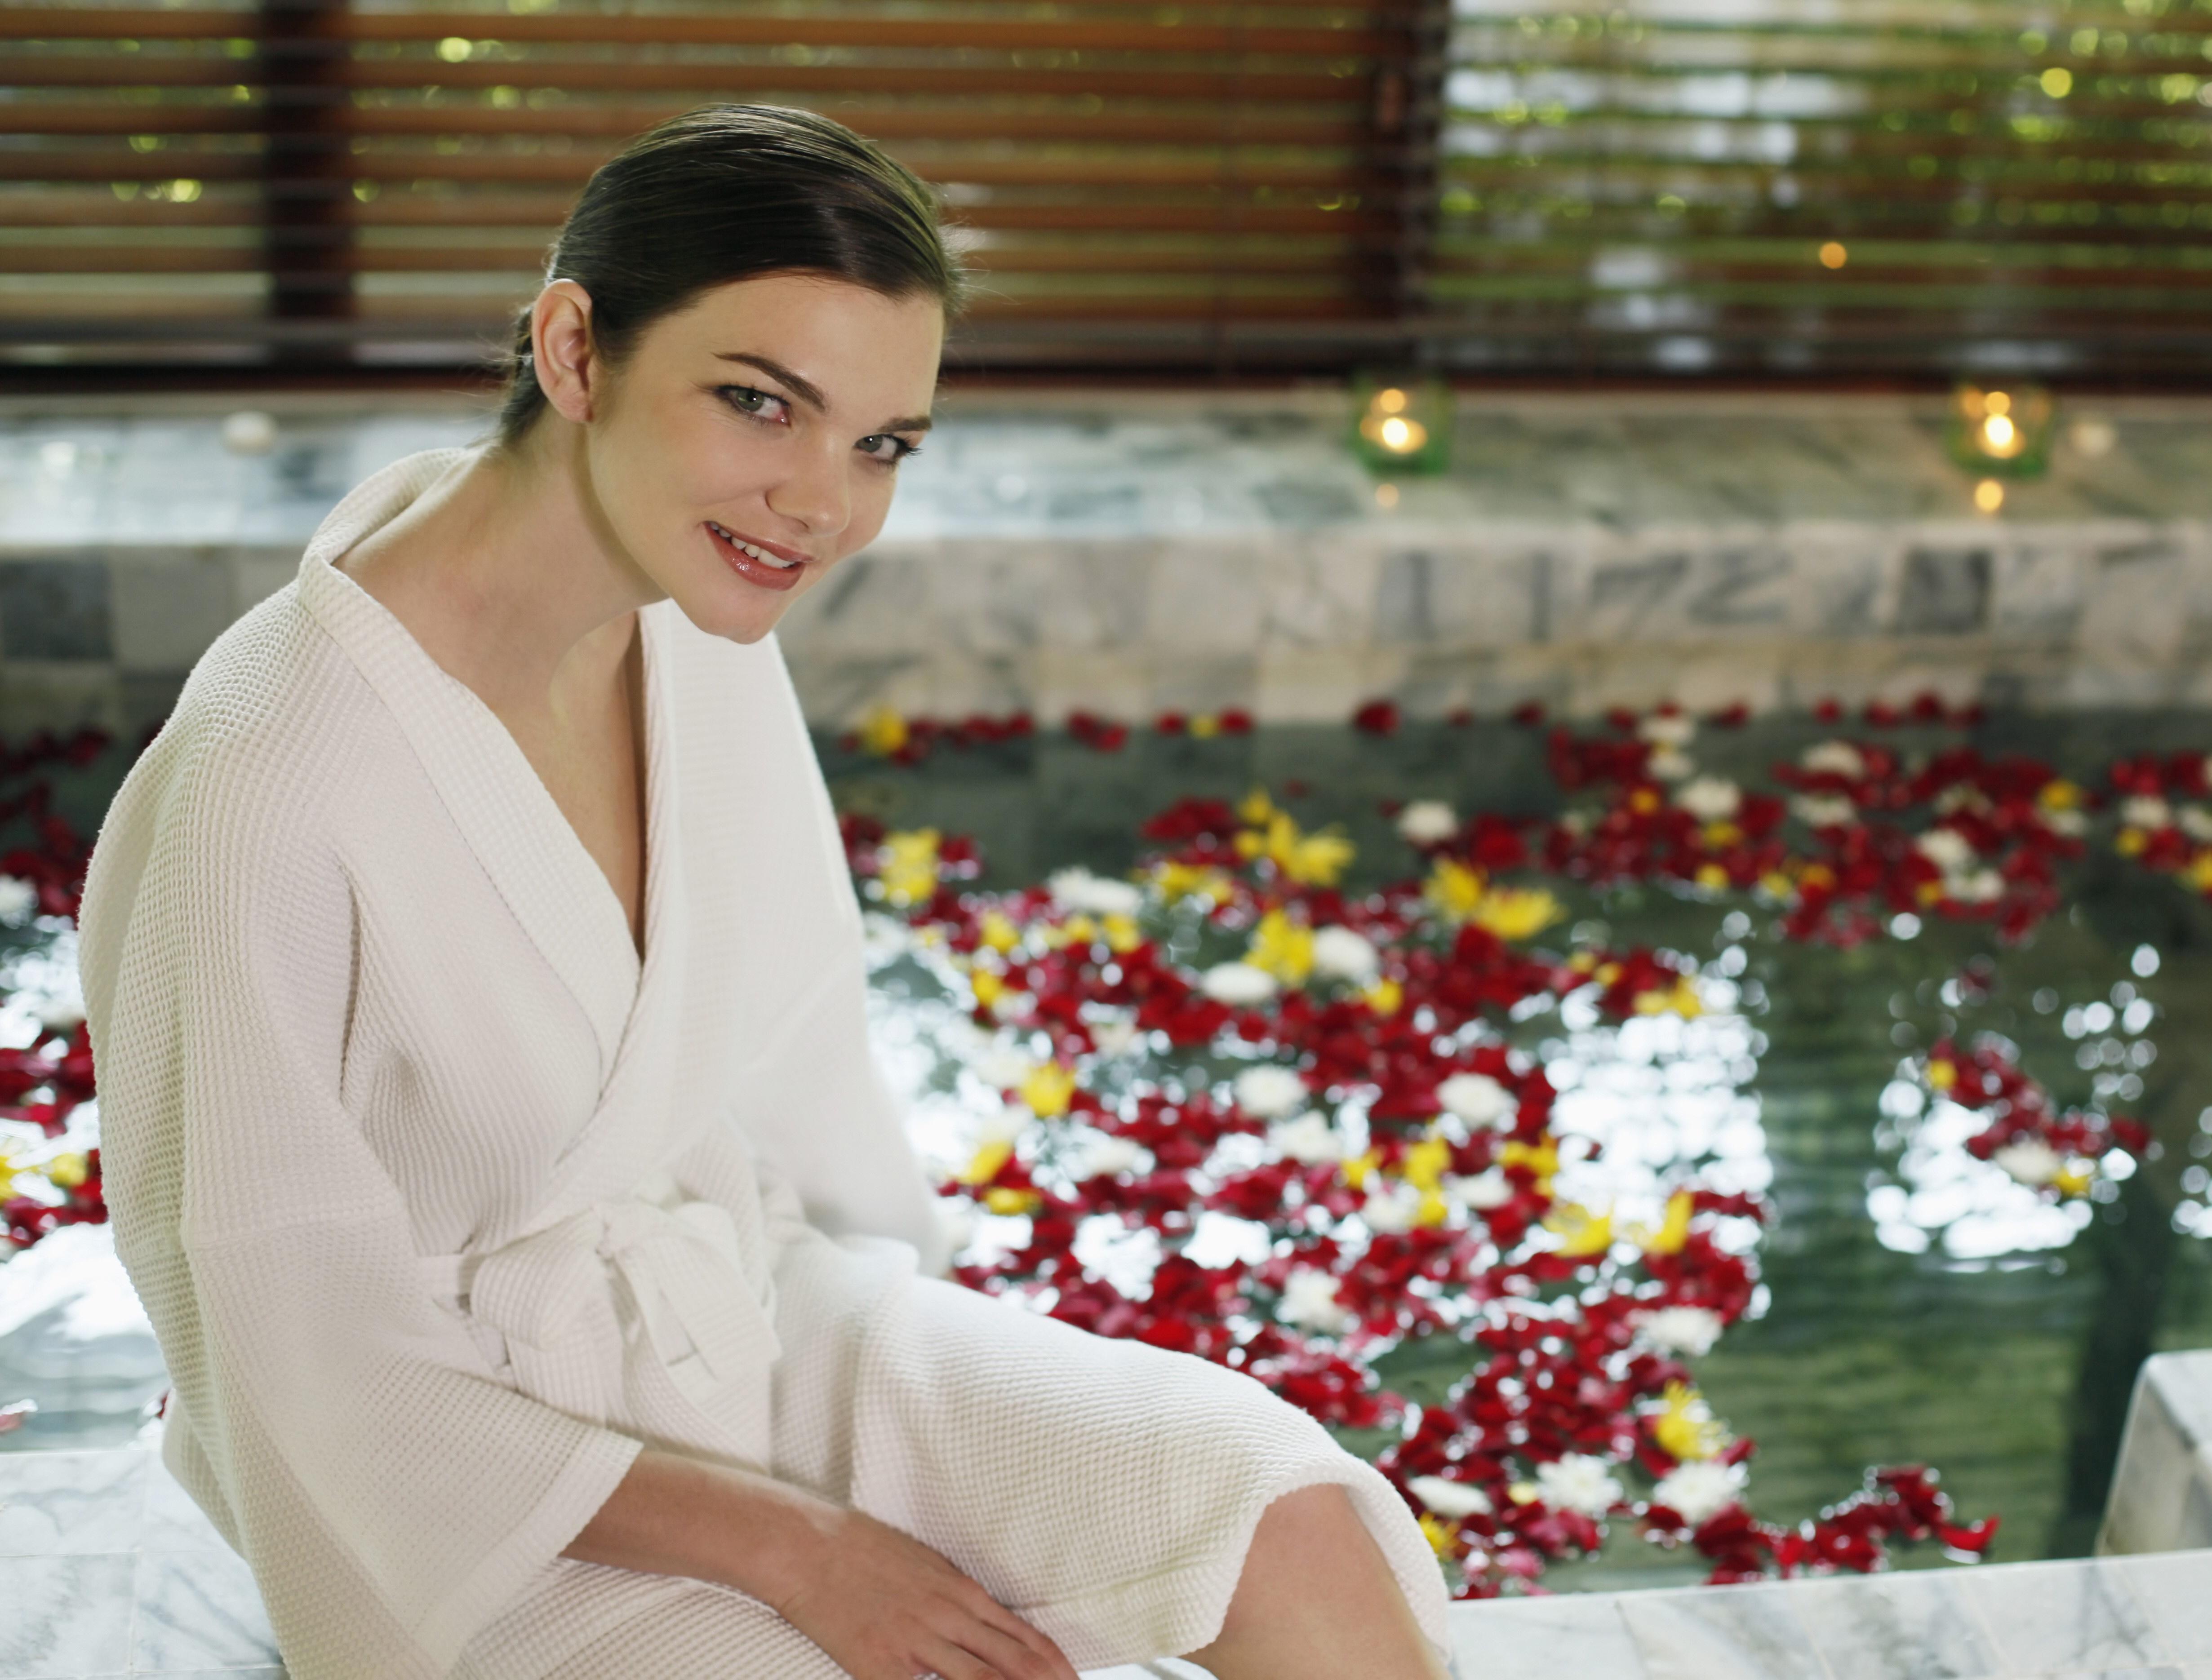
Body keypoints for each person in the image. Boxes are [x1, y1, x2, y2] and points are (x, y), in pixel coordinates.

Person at [77, 104, 1450, 1680]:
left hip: (741, 1310)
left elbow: (796, 1062)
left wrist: (940, 1413)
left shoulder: (693, 615)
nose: (824, 504)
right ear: (575, 351)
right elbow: (293, 1355)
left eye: (879, 443)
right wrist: (804, 1548)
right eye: (757, 403)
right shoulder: (265, 782)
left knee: (1281, 1511)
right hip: (454, 1479)